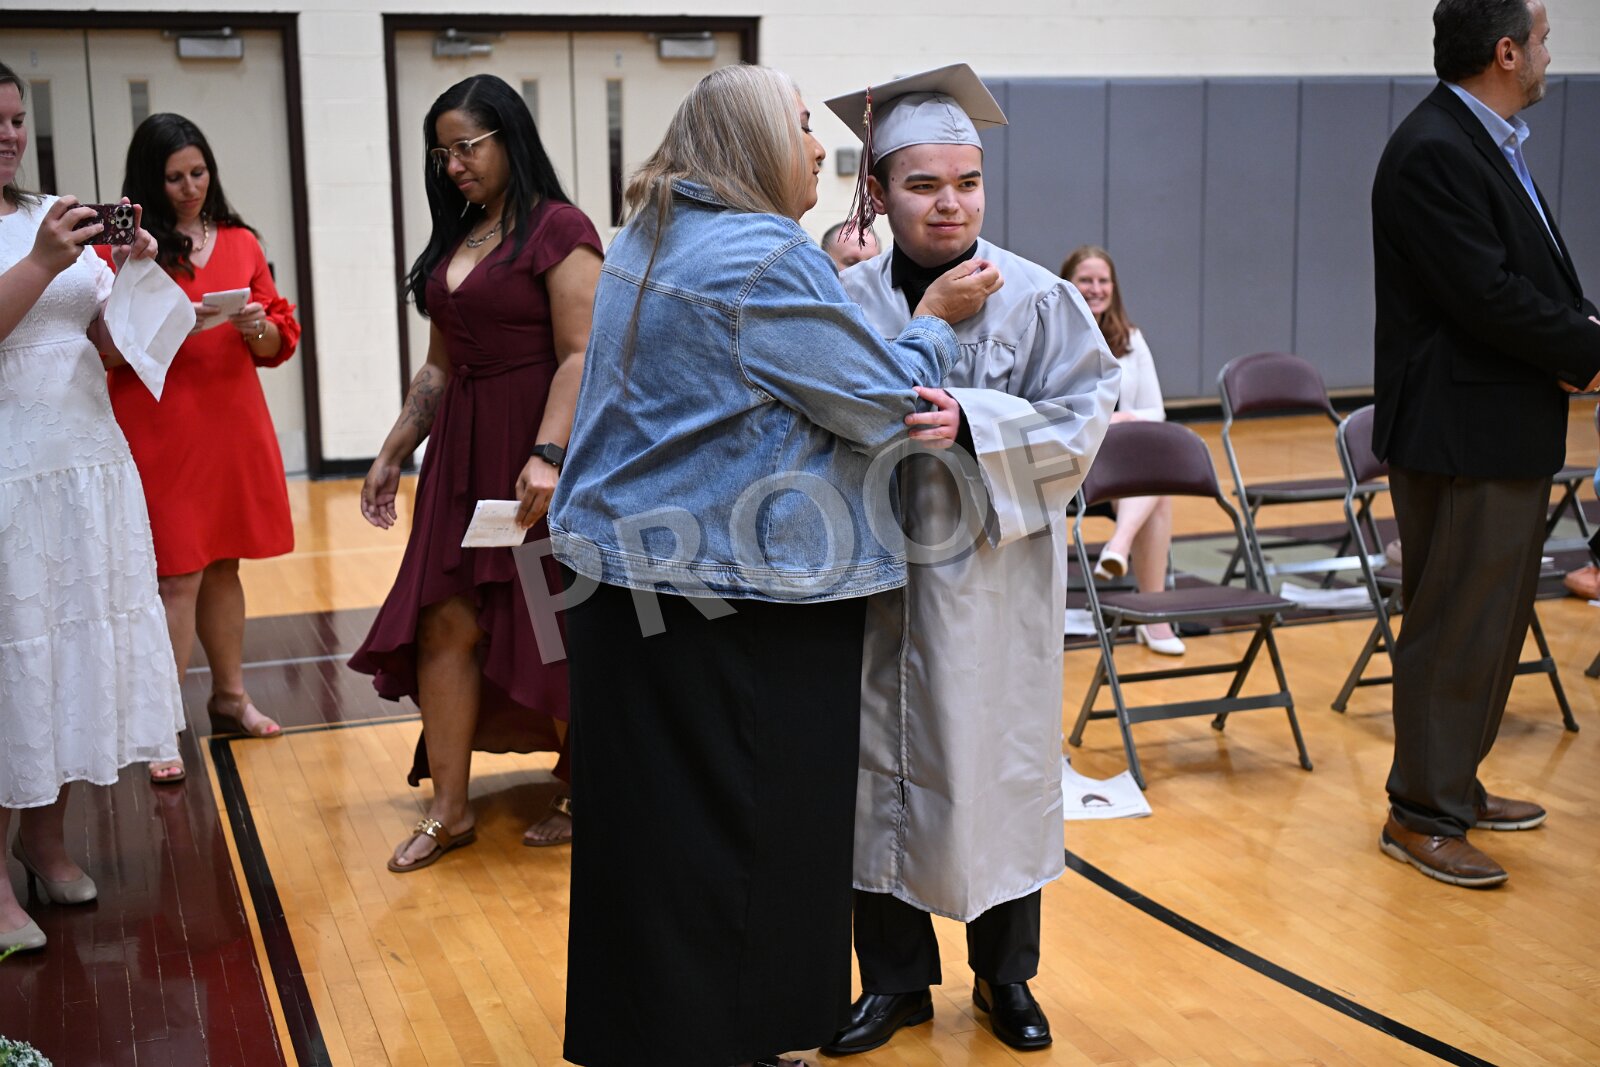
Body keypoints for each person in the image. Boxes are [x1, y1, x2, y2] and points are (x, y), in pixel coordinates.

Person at [547, 63, 1000, 1067]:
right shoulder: (761, 256)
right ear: (753, 142)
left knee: (656, 844)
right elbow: (886, 407)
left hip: (625, 584)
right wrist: (933, 322)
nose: (817, 147)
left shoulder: (650, 233)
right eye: (800, 126)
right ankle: (748, 1040)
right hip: (735, 597)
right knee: (759, 835)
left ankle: (655, 1034)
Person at [823, 64, 1120, 1055]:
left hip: (990, 582)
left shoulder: (1035, 298)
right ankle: (894, 982)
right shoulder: (844, 300)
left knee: (999, 767)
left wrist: (975, 422)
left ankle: (1006, 976)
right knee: (873, 779)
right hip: (872, 577)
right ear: (878, 191)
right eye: (922, 184)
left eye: (968, 181)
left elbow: (1084, 418)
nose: (949, 203)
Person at [1371, 0, 1600, 888]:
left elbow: (1529, 279)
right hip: (1461, 432)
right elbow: (1486, 296)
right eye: (1541, 39)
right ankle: (1421, 813)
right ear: (1506, 52)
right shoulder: (1434, 149)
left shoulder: (1483, 141)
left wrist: (1581, 332)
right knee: (1455, 626)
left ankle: (1454, 784)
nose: (1549, 53)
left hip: (1500, 425)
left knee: (1493, 624)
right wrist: (1586, 348)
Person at [348, 74, 602, 867]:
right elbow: (438, 366)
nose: (453, 165)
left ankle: (590, 785)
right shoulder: (458, 236)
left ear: (508, 139)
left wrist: (548, 453)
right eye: (442, 153)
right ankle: (449, 810)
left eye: (466, 148)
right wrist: (394, 449)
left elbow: (581, 354)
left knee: (549, 623)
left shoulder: (560, 228)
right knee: (445, 619)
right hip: (460, 452)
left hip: (536, 448)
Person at [0, 62, 183, 952]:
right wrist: (43, 261)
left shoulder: (54, 212)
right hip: (11, 471)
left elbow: (109, 344)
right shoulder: (44, 239)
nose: (8, 135)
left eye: (15, 118)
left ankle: (44, 839)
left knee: (69, 649)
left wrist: (134, 271)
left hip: (86, 461)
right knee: (14, 658)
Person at [102, 113, 300, 784]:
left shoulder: (242, 241)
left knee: (222, 566)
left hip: (229, 420)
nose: (190, 188)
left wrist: (255, 326)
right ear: (148, 179)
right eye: (173, 177)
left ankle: (230, 697)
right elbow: (105, 340)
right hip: (160, 424)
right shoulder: (127, 242)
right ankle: (162, 722)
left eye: (198, 172)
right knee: (176, 575)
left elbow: (277, 340)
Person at [1062, 244, 1183, 655]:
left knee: (1157, 487)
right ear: (1067, 284)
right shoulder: (1052, 336)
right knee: (1156, 489)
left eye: (1103, 280)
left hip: (1120, 460)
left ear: (1113, 287)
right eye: (1085, 280)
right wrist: (1100, 422)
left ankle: (1141, 593)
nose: (1095, 289)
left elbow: (1155, 411)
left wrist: (1121, 419)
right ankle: (1148, 606)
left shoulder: (1131, 339)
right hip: (1070, 462)